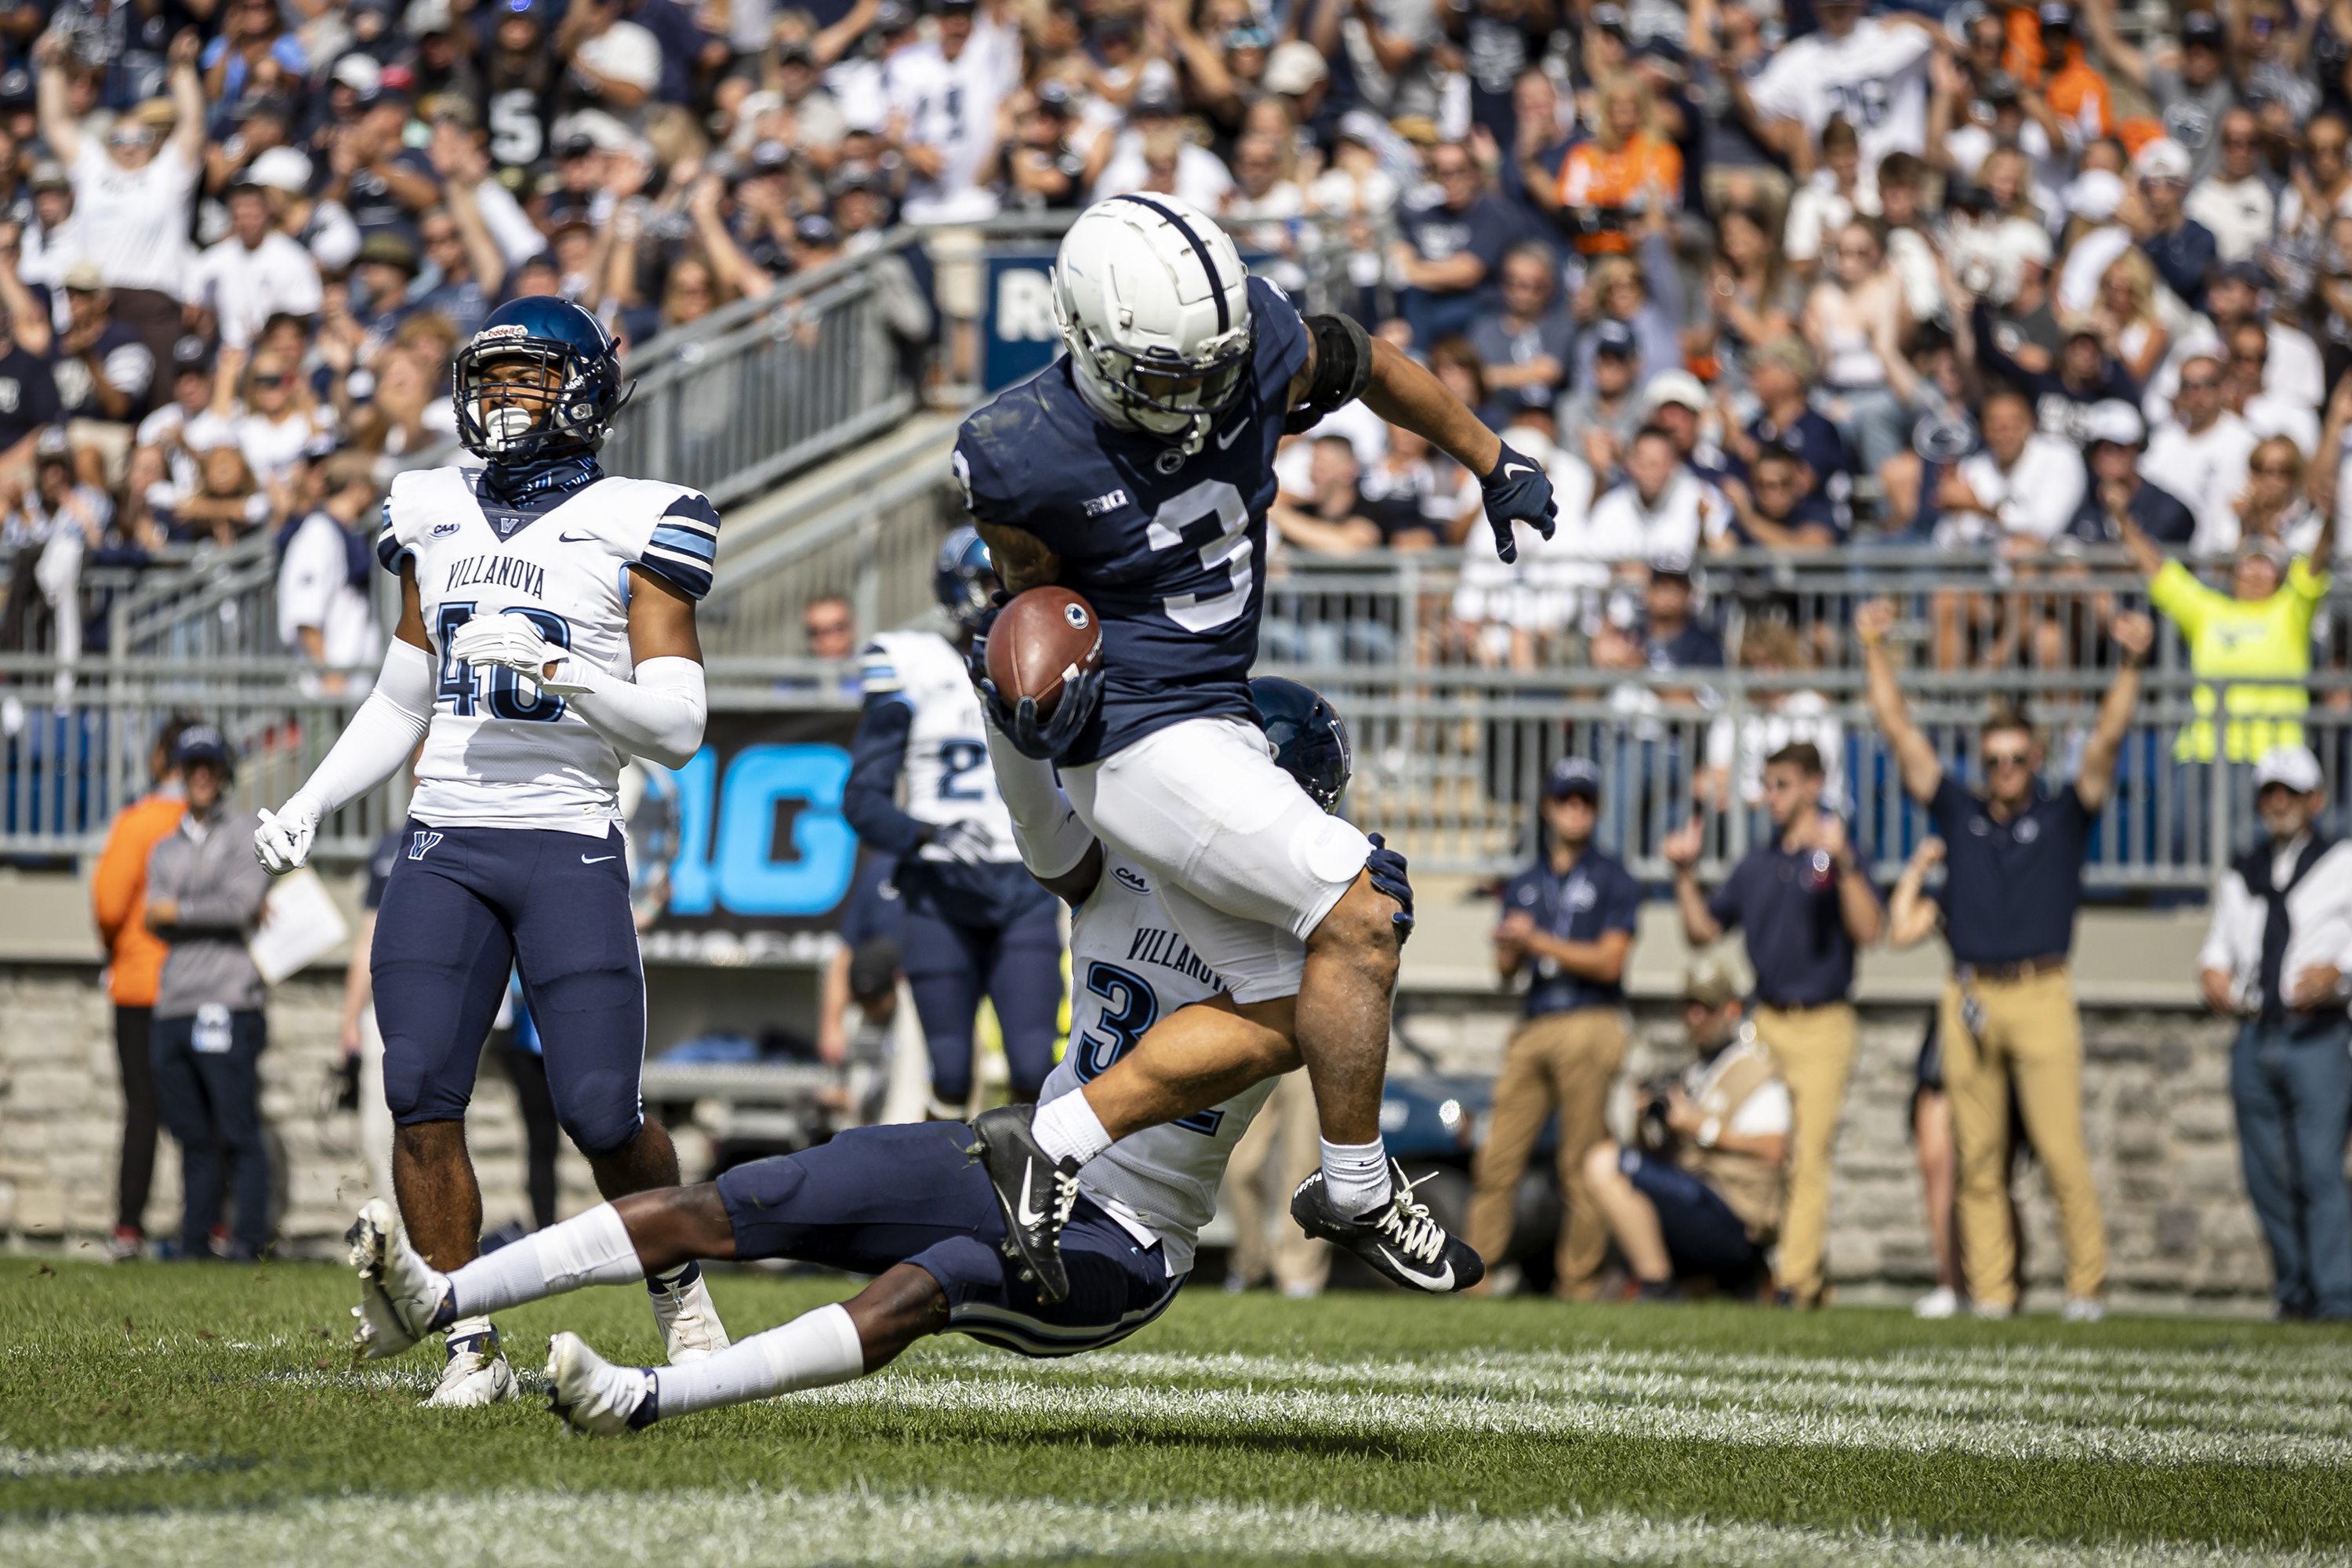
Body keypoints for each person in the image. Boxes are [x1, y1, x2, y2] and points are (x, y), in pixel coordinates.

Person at [345, 677, 1409, 1435]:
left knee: (928, 1282)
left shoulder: (1318, 963)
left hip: (1125, 1240)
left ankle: (651, 1398)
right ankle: (441, 1301)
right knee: (755, 1195)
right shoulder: (1125, 867)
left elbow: (1327, 980)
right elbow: (1041, 820)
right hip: (1010, 1161)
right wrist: (1008, 705)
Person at [954, 192, 1555, 1301]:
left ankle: (1055, 1140)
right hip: (1138, 738)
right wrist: (1031, 702)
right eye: (1162, 376)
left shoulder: (1256, 339)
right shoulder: (1017, 450)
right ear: (1085, 342)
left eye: (1207, 370)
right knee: (1362, 913)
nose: (1192, 397)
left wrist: (1488, 455)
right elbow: (1034, 603)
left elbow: (1366, 360)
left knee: (1310, 1013)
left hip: (1220, 714)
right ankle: (1359, 1188)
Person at [249, 296, 730, 1406]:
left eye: (530, 378)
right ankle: (470, 1345)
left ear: (587, 390)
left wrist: (567, 674)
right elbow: (401, 693)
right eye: (495, 378)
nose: (506, 398)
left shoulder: (642, 516)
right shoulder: (430, 505)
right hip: (446, 838)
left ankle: (681, 1298)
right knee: (418, 1085)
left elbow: (679, 732)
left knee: (603, 1111)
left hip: (565, 838)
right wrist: (314, 799)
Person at [1857, 598, 2155, 1320]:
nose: (2006, 770)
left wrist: (2132, 664)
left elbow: (2108, 743)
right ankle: (1992, 1294)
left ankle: (2085, 1289)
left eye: (2019, 758)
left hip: (2041, 990)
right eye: (1994, 760)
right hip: (1968, 996)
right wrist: (1874, 648)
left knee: (2060, 1154)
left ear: (2036, 758)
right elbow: (1900, 733)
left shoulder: (2061, 815)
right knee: (1977, 1161)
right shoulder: (1959, 812)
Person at [842, 528, 1064, 1116]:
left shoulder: (1051, 659)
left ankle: (1030, 1200)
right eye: (994, 582)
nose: (1004, 595)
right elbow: (863, 799)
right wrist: (925, 833)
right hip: (939, 888)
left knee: (1032, 1066)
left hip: (1028, 885)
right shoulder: (910, 663)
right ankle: (950, 1193)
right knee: (950, 1073)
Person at [1663, 740, 1881, 1308]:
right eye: (1766, 785)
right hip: (1766, 1021)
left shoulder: (1838, 855)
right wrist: (1684, 875)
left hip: (1823, 1022)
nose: (1770, 798)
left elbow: (1870, 931)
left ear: (1813, 785)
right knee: (1734, 1137)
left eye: (1781, 785)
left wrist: (1848, 863)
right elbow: (1704, 930)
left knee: (1807, 1154)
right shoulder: (1758, 864)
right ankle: (1788, 1273)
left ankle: (1796, 1282)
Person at [1466, 757, 1642, 1300]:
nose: (1575, 810)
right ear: (1548, 807)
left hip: (1590, 1016)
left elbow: (1611, 963)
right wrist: (1510, 948)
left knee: (1581, 1160)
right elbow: (1504, 973)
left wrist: (1536, 940)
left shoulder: (1614, 878)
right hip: (1536, 1017)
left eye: (1585, 801)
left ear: (1596, 810)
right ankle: (1476, 1274)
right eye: (1567, 799)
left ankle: (1579, 1280)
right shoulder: (1523, 881)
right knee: (1497, 1157)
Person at [2196, 744, 2352, 1321]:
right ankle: (2294, 1290)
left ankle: (2338, 1295)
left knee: (2318, 1169)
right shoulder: (2243, 870)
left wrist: (2339, 973)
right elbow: (2221, 942)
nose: (2279, 803)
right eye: (2269, 792)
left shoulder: (2342, 861)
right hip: (2256, 1031)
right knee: (2266, 1174)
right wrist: (2211, 971)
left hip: (2320, 1034)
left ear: (2317, 799)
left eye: (2290, 792)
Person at [2121, 507, 2335, 861]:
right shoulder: (2210, 611)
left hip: (2265, 753)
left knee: (2242, 845)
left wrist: (2332, 516)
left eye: (2264, 563)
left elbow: (2317, 565)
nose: (2254, 572)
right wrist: (2121, 516)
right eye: (2247, 563)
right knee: (2178, 831)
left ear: (2279, 573)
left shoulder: (2290, 612)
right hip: (2201, 750)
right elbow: (2158, 571)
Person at [1584, 956, 1791, 1301]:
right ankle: (1669, 1281)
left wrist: (1702, 1127)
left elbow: (1775, 1149)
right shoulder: (1696, 1070)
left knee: (1604, 1163)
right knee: (1618, 1166)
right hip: (1698, 1198)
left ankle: (1658, 1285)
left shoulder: (1754, 1067)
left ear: (1731, 1009)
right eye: (1689, 1007)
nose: (1696, 1018)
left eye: (1707, 1008)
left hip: (1738, 1215)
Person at [144, 727, 272, 1261]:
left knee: (238, 1128)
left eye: (210, 765)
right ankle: (195, 1242)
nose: (201, 775)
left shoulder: (244, 835)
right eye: (192, 764)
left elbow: (242, 905)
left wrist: (184, 911)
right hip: (173, 1002)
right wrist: (204, 908)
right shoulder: (164, 847)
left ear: (222, 775)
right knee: (191, 1135)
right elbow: (153, 915)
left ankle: (248, 1241)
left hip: (229, 999)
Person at [89, 714, 194, 1261]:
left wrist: (120, 947)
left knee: (142, 1111)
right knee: (202, 1112)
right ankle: (205, 1226)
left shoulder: (137, 822)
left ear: (161, 757)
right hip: (201, 990)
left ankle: (129, 1226)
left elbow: (108, 904)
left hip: (139, 986)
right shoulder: (209, 823)